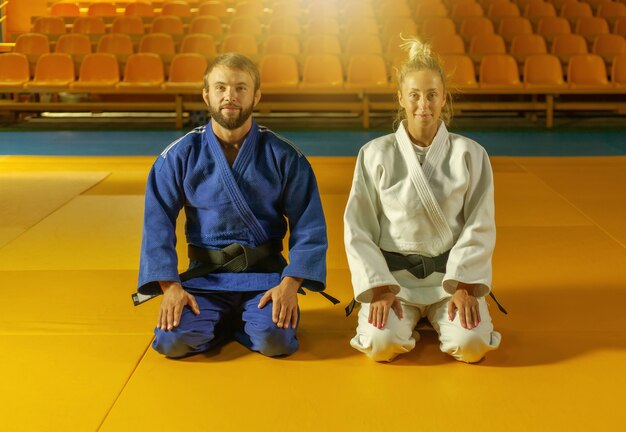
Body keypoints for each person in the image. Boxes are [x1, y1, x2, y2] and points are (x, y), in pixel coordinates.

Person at [135, 53, 328, 359]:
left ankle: (233, 323)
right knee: (173, 341)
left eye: (240, 88)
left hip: (265, 278)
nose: (230, 96)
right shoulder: (179, 155)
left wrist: (290, 284)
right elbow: (156, 225)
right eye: (221, 87)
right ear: (206, 95)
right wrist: (171, 287)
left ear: (256, 95)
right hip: (204, 279)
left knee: (275, 340)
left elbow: (310, 225)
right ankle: (228, 321)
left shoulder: (284, 155)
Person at [344, 38, 502, 363]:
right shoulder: (375, 154)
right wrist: (378, 287)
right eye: (414, 95)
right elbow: (358, 227)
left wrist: (465, 286)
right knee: (380, 345)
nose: (423, 105)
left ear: (444, 97)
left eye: (432, 95)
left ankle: (435, 318)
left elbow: (479, 224)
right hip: (394, 283)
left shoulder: (471, 155)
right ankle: (408, 323)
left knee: (472, 346)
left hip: (451, 282)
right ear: (401, 97)